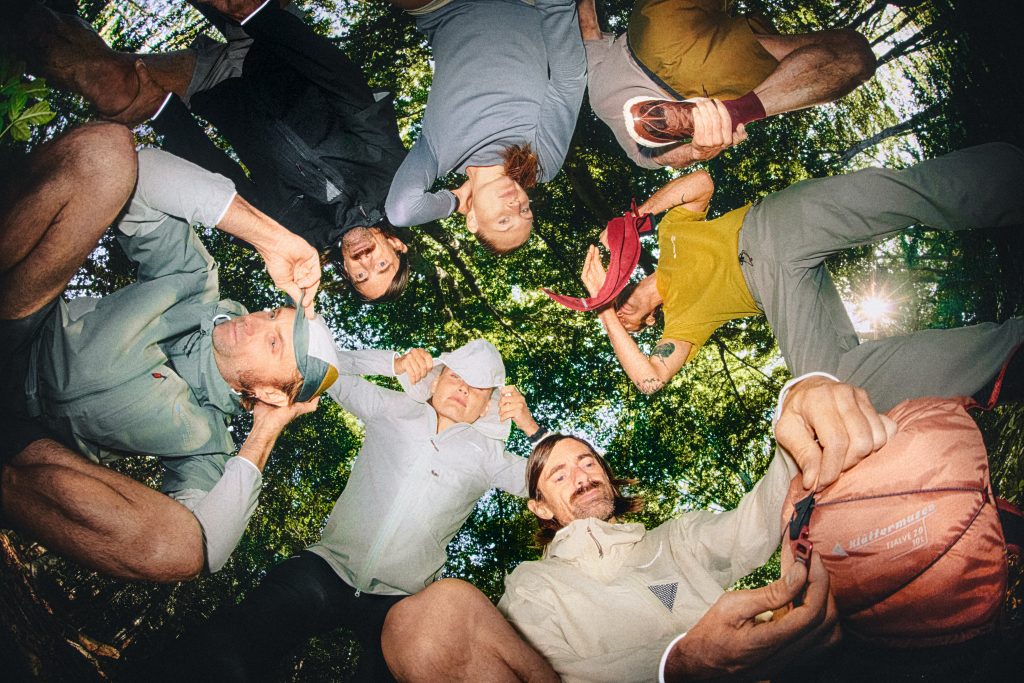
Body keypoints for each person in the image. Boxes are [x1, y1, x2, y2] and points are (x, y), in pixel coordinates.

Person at [379, 375, 896, 681]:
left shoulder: (676, 539)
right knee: (423, 620)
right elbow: (559, 674)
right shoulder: (532, 586)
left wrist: (799, 403)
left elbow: (755, 524)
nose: (581, 475)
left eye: (587, 463)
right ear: (540, 507)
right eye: (559, 474)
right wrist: (678, 663)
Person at [0, 123, 335, 583]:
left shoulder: (207, 443)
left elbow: (207, 548)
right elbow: (138, 170)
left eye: (273, 342)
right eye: (272, 312)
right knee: (108, 151)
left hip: (23, 442)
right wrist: (272, 239)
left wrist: (264, 434)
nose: (255, 323)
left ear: (269, 393)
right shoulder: (195, 285)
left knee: (178, 550)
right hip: (20, 325)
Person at [154, 339, 558, 682]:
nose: (462, 389)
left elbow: (559, 480)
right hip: (326, 568)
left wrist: (531, 429)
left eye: (477, 389)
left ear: (488, 407)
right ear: (436, 378)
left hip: (400, 602)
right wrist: (391, 363)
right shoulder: (393, 407)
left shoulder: (489, 456)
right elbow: (327, 368)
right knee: (238, 642)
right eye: (456, 376)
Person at [1, 0, 411, 302]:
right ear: (397, 245)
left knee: (106, 81)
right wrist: (260, 15)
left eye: (359, 276)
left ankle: (36, 17)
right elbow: (345, 87)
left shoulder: (294, 237)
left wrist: (163, 113)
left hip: (215, 88)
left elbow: (221, 180)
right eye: (381, 266)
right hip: (270, 47)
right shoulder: (390, 180)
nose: (364, 263)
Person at [581, 140, 1024, 412]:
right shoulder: (680, 323)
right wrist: (601, 310)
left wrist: (639, 216)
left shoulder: (673, 232)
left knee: (898, 195)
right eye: (620, 321)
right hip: (778, 292)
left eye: (615, 303)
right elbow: (651, 379)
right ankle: (1006, 360)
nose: (620, 312)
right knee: (835, 390)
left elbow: (701, 182)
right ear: (644, 326)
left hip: (773, 225)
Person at [384, 0, 587, 254]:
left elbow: (401, 211)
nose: (515, 205)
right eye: (525, 210)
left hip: (442, 9)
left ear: (472, 220)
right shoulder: (541, 163)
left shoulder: (436, 158)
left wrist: (455, 200)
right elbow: (568, 82)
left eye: (504, 221)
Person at [578, 0, 876, 168]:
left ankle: (736, 112)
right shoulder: (596, 88)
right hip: (656, 32)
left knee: (852, 58)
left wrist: (698, 150)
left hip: (707, 82)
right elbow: (588, 23)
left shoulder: (631, 142)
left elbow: (657, 157)